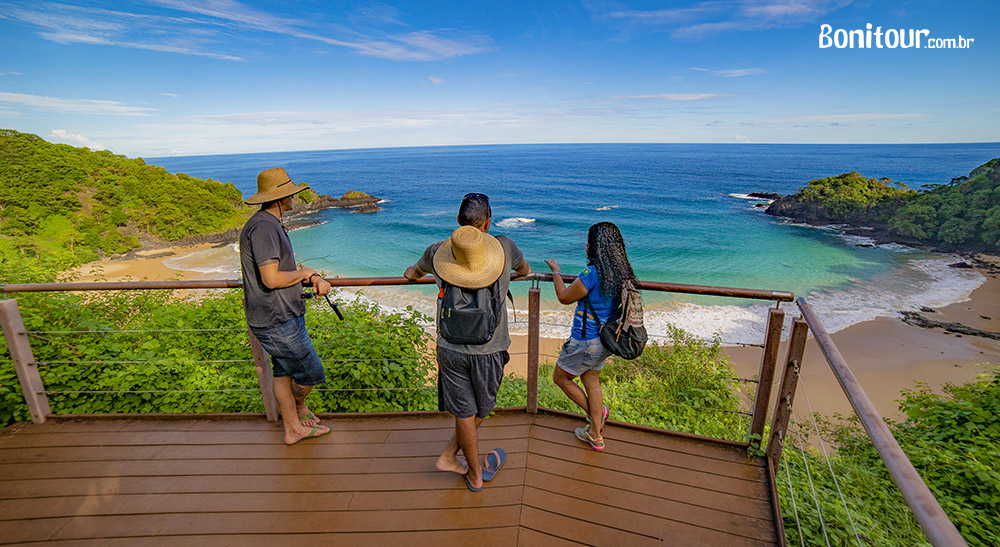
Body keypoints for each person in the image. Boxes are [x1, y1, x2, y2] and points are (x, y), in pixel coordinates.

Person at [403, 192, 531, 491]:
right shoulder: (505, 247)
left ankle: (467, 470)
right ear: (488, 223)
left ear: (458, 222)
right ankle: (454, 459)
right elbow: (524, 270)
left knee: (464, 411)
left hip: (449, 346)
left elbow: (413, 272)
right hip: (490, 348)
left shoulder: (437, 251)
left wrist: (412, 274)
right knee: (480, 411)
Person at [240, 167, 332, 445]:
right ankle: (297, 413)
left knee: (282, 371)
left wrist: (309, 273)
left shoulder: (267, 224)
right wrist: (305, 273)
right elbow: (271, 278)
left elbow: (280, 270)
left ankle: (292, 427)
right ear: (280, 198)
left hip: (278, 315)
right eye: (290, 194)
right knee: (312, 372)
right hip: (276, 319)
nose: (293, 198)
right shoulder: (264, 227)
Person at [544, 222, 635, 452]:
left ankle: (596, 420)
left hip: (586, 340)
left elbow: (564, 297)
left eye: (589, 242)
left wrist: (556, 272)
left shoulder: (592, 272)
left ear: (595, 247)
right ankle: (595, 432)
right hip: (606, 340)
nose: (586, 246)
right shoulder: (622, 272)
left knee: (561, 378)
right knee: (591, 380)